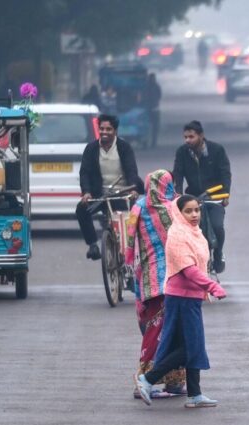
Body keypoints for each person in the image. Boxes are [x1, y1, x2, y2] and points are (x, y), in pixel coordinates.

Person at [135, 194, 227, 408]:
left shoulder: (194, 232)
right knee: (190, 347)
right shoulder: (177, 234)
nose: (194, 215)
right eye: (189, 211)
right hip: (182, 299)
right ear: (179, 212)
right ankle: (147, 380)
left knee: (190, 345)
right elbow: (189, 270)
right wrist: (212, 286)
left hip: (190, 298)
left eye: (197, 210)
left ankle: (194, 394)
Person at [125, 169, 186, 398]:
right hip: (172, 280)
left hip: (147, 279)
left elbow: (129, 242)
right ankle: (144, 379)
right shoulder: (174, 208)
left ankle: (172, 382)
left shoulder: (138, 207)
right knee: (169, 331)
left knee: (156, 329)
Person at [76, 114, 145, 260]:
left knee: (134, 218)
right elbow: (84, 173)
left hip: (121, 193)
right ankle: (93, 245)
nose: (104, 132)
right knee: (81, 210)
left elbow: (132, 170)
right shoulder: (91, 148)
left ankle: (132, 251)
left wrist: (133, 189)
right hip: (99, 195)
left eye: (108, 129)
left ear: (115, 131)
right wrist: (87, 192)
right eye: (102, 129)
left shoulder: (124, 147)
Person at [171, 120, 232, 273]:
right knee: (190, 229)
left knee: (217, 226)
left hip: (215, 197)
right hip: (193, 197)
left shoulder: (217, 150)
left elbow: (225, 174)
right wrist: (177, 193)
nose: (187, 140)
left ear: (201, 136)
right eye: (185, 137)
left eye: (191, 137)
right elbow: (177, 174)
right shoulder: (182, 152)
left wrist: (226, 194)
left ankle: (218, 254)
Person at [144, 73, 162, 148]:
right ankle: (152, 142)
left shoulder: (146, 86)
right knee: (154, 127)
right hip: (153, 108)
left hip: (150, 108)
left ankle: (150, 142)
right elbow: (159, 95)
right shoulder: (155, 86)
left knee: (151, 127)